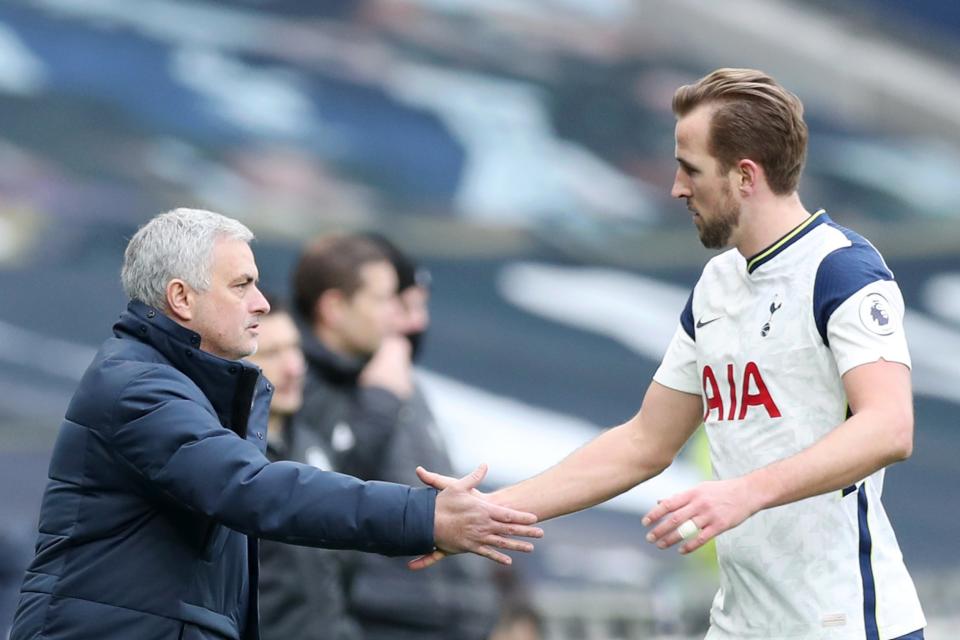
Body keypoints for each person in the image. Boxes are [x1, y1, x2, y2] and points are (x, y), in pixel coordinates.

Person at [414, 69, 926, 640]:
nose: (677, 188)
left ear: (745, 176)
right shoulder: (716, 285)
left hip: (846, 624)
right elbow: (643, 443)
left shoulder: (842, 269)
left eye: (691, 169)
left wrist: (745, 492)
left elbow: (890, 427)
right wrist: (490, 512)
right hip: (741, 625)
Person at [9, 208, 542, 640]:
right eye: (241, 285)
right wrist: (424, 516)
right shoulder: (138, 387)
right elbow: (252, 488)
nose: (262, 303)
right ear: (180, 298)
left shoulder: (180, 384)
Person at [341, 234, 500, 640]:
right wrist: (380, 399)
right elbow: (336, 481)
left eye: (421, 306)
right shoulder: (330, 388)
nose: (417, 323)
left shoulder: (409, 387)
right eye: (403, 306)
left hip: (451, 619)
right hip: (384, 620)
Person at [246, 297, 360, 640]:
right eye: (272, 353)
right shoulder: (226, 457)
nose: (294, 367)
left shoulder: (313, 445)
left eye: (295, 348)